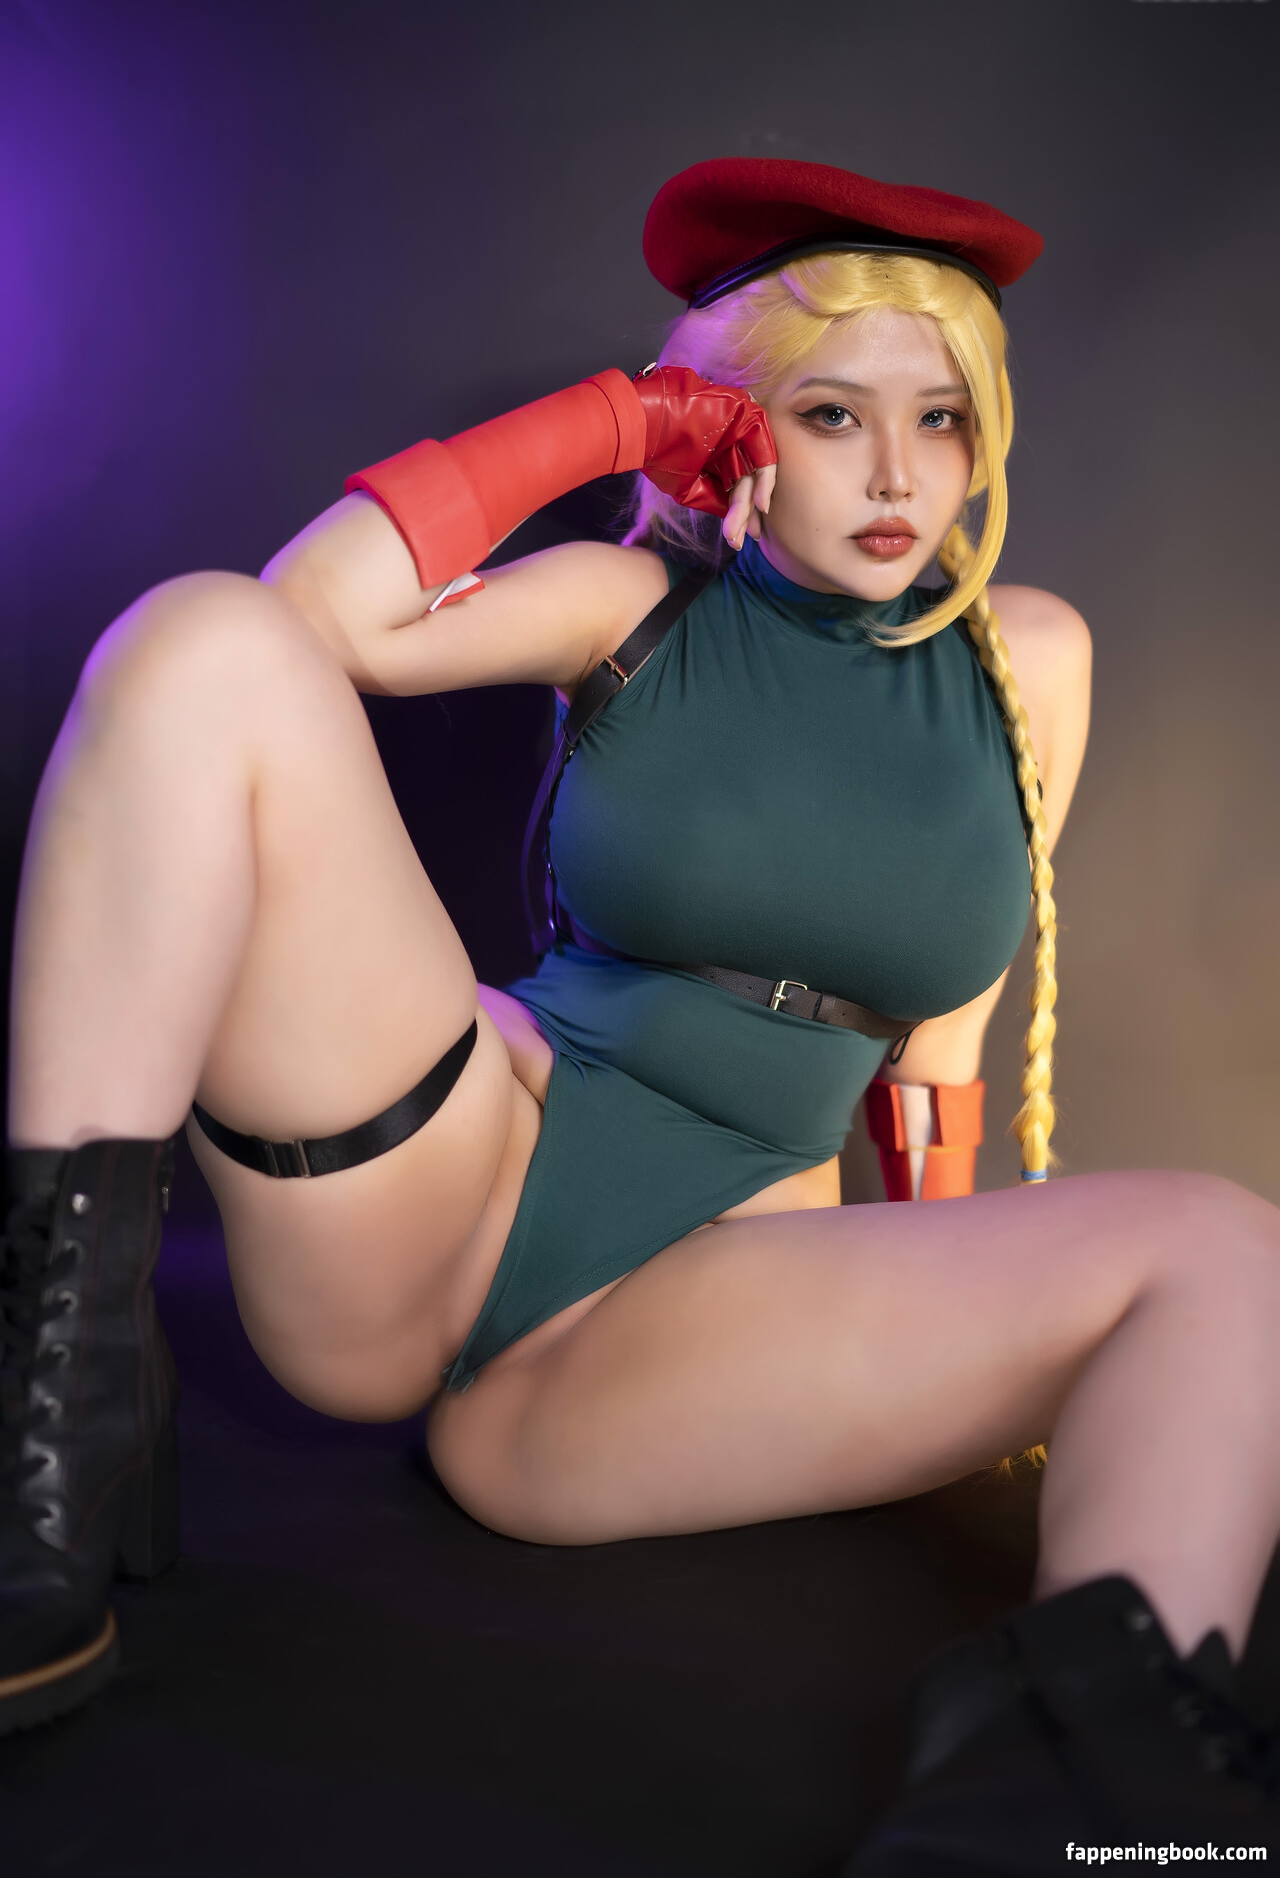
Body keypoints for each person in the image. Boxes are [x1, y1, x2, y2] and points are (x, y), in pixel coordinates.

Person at [3, 155, 1278, 1866]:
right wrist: (624, 421)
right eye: (831, 416)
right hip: (451, 1168)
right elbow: (304, 625)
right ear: (741, 428)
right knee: (198, 635)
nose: (897, 474)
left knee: (1233, 1247)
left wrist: (962, 1309)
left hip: (685, 1305)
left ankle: (1077, 1780)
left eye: (942, 419)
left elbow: (942, 1047)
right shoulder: (637, 610)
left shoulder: (1028, 660)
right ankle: (55, 1427)